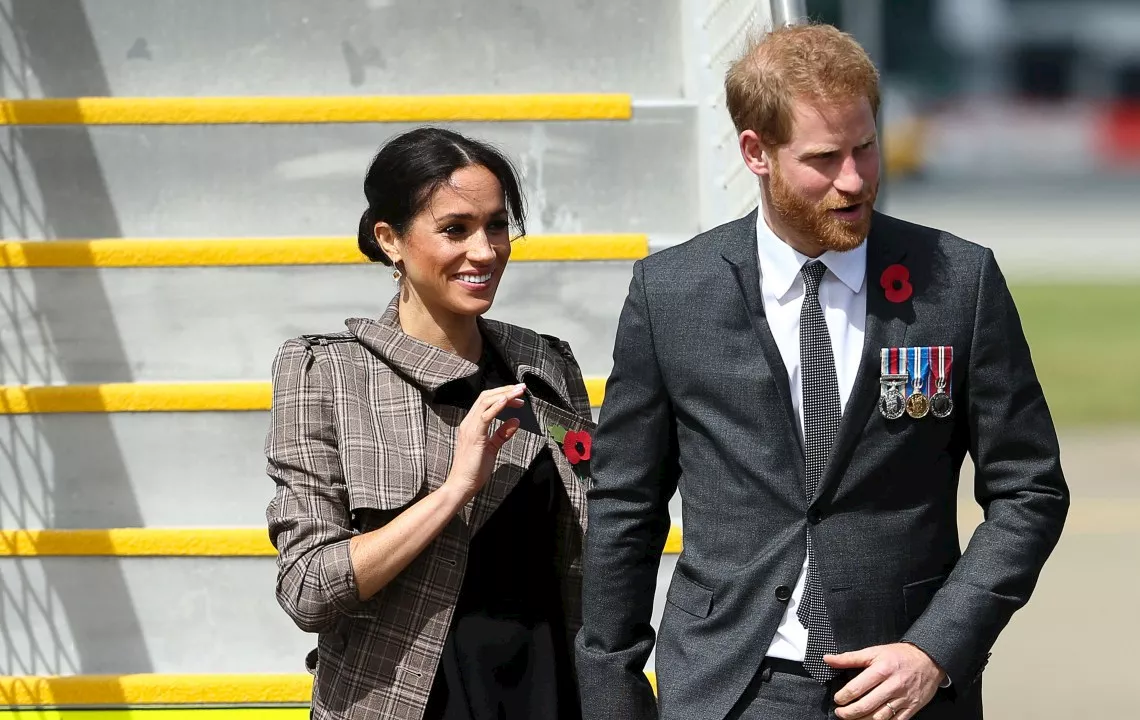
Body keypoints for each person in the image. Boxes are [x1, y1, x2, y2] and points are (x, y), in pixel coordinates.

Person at [575, 24, 1069, 720]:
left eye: (866, 148)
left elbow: (1031, 492)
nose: (855, 179)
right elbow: (624, 503)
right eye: (825, 158)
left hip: (902, 688)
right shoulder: (671, 292)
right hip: (728, 688)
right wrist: (612, 694)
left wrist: (936, 649)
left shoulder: (960, 281)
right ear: (756, 153)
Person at [265, 127, 592, 720]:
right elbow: (306, 588)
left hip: (551, 696)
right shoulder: (328, 373)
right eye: (454, 229)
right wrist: (455, 490)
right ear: (390, 240)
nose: (485, 251)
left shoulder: (544, 364)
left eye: (497, 225)